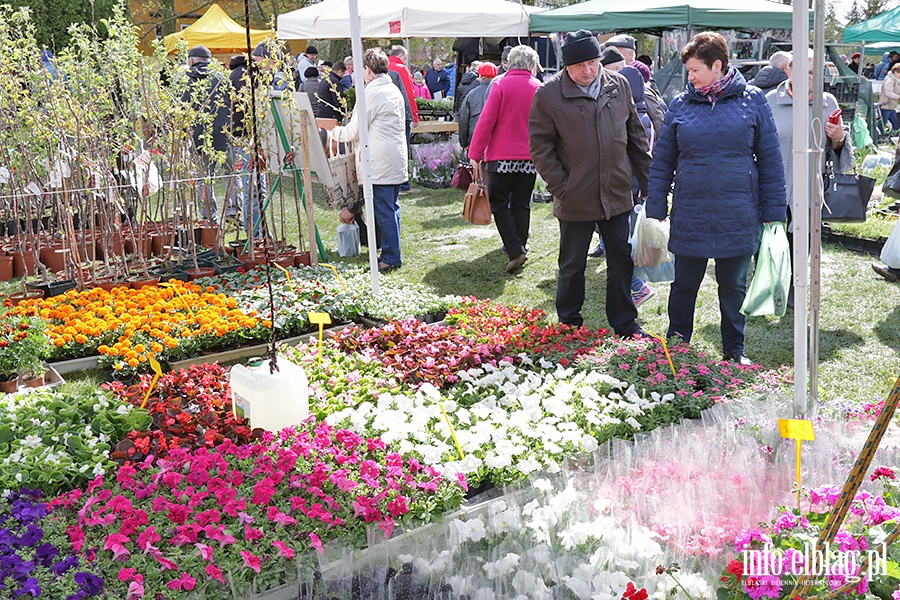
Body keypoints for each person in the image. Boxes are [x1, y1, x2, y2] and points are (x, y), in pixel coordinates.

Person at [646, 32, 786, 365]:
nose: (690, 77)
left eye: (695, 70)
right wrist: (656, 205)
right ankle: (677, 345)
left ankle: (734, 350)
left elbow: (770, 158)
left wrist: (774, 210)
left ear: (718, 66)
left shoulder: (753, 100)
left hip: (738, 213)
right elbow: (663, 159)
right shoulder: (681, 104)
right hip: (690, 212)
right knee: (684, 285)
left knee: (733, 287)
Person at [529, 30, 652, 335]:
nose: (587, 70)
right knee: (572, 265)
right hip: (575, 196)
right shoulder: (548, 94)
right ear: (565, 67)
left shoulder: (619, 84)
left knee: (621, 261)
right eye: (579, 65)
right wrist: (562, 187)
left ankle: (625, 322)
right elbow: (540, 147)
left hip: (616, 191)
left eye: (592, 62)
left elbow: (636, 136)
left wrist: (650, 183)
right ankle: (569, 322)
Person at [767, 51, 853, 304]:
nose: (809, 77)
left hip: (809, 184)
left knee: (801, 236)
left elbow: (837, 148)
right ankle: (771, 286)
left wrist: (837, 135)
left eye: (814, 72)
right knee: (770, 237)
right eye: (804, 70)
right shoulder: (770, 100)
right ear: (788, 71)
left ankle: (796, 287)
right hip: (773, 183)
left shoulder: (827, 102)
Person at [332, 48, 408, 271]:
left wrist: (332, 133)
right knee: (391, 208)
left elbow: (354, 131)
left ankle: (391, 256)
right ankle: (392, 250)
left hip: (379, 160)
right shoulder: (392, 88)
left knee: (384, 210)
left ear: (368, 69)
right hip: (393, 156)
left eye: (362, 68)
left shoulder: (372, 93)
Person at [468, 46, 541, 274]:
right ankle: (521, 245)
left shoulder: (499, 84)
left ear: (509, 63)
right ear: (532, 64)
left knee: (499, 203)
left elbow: (486, 121)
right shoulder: (539, 88)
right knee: (522, 203)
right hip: (529, 156)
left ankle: (514, 248)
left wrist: (475, 153)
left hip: (500, 157)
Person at [182, 45, 230, 222]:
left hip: (198, 136)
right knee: (232, 176)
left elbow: (181, 109)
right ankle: (235, 213)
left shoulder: (186, 80)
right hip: (223, 134)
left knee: (203, 178)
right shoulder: (222, 78)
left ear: (192, 60)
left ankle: (208, 218)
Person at [458, 62, 498, 150]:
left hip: (475, 140)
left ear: (480, 77)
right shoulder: (501, 92)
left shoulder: (471, 94)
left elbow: (463, 120)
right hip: (495, 142)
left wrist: (464, 143)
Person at [881, 62, 900, 132]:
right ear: (895, 72)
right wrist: (898, 97)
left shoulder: (898, 81)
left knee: (897, 127)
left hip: (892, 107)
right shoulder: (889, 79)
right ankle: (879, 139)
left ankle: (894, 139)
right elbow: (888, 92)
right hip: (885, 106)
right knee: (881, 126)